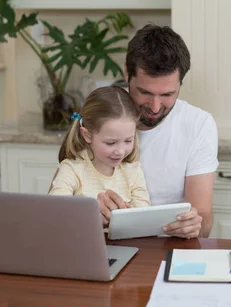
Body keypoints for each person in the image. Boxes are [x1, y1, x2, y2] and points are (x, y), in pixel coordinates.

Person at [96, 24, 219, 239]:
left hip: (167, 247)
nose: (154, 107)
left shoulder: (199, 124)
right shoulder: (99, 115)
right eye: (144, 92)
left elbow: (204, 218)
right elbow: (61, 198)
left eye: (167, 94)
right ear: (127, 72)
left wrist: (194, 224)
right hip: (104, 245)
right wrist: (87, 205)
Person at [48, 86, 150, 223]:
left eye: (128, 140)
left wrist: (125, 215)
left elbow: (144, 216)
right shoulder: (72, 170)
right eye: (110, 143)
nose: (120, 151)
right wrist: (91, 212)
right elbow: (54, 212)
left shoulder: (133, 171)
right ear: (87, 135)